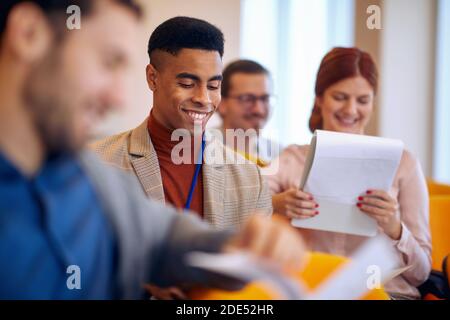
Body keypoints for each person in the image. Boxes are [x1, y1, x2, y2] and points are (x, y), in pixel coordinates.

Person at [0, 0, 305, 299]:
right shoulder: (98, 160)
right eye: (108, 62)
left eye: (213, 85)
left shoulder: (85, 175)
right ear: (28, 34)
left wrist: (235, 246)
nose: (119, 98)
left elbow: (163, 236)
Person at [263, 47, 431, 299]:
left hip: (388, 295)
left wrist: (394, 227)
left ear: (373, 102)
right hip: (314, 291)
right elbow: (234, 210)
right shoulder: (292, 158)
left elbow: (422, 273)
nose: (351, 110)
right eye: (340, 97)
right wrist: (276, 204)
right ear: (320, 98)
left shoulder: (404, 163)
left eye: (363, 100)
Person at [91, 17, 272, 228]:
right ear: (152, 78)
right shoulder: (97, 163)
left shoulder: (251, 179)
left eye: (213, 87)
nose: (203, 99)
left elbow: (257, 260)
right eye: (187, 84)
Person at [218, 59, 282, 165]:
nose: (258, 109)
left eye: (265, 98)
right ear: (221, 103)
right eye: (247, 99)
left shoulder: (279, 156)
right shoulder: (199, 152)